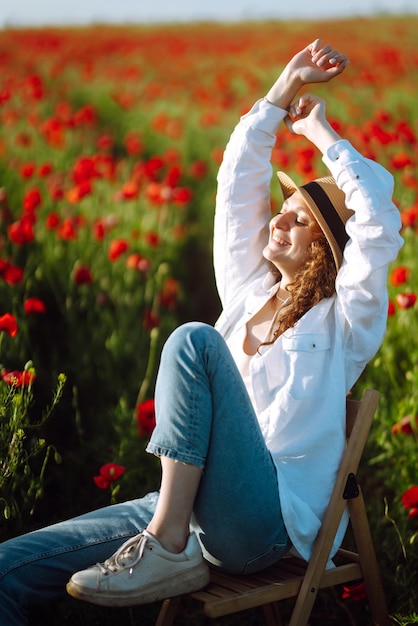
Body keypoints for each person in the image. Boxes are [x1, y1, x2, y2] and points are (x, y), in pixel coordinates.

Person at [0, 39, 403, 623]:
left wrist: (323, 137)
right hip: (186, 510)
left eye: (302, 219)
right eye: (286, 207)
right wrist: (283, 89)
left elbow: (379, 224)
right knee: (10, 568)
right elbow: (237, 180)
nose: (280, 216)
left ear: (328, 253)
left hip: (263, 527)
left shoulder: (345, 322)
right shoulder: (247, 294)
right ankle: (167, 537)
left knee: (194, 340)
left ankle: (164, 547)